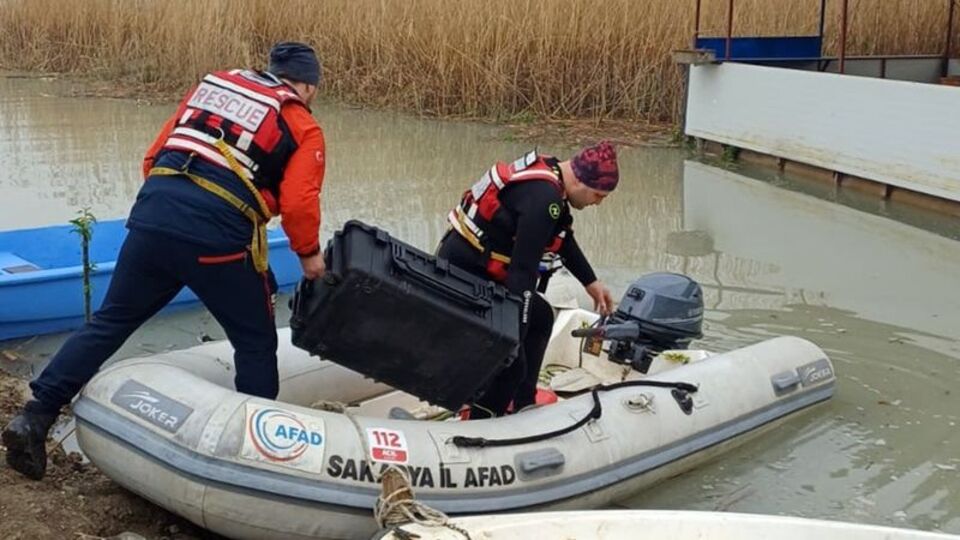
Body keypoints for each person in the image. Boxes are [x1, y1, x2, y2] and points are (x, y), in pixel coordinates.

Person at [2, 42, 327, 480]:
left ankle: (35, 416)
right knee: (255, 344)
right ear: (306, 85)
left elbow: (155, 157)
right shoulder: (302, 124)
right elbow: (300, 202)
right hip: (218, 241)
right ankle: (253, 462)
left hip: (153, 216)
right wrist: (309, 258)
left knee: (110, 321)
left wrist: (171, 218)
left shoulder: (212, 89)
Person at [438, 141, 619, 418]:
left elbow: (561, 239)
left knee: (542, 317)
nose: (598, 203)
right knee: (511, 364)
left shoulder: (552, 175)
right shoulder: (544, 200)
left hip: (476, 270)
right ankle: (481, 424)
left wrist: (591, 283)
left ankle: (523, 403)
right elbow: (522, 272)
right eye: (598, 195)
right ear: (581, 181)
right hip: (462, 275)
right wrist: (513, 339)